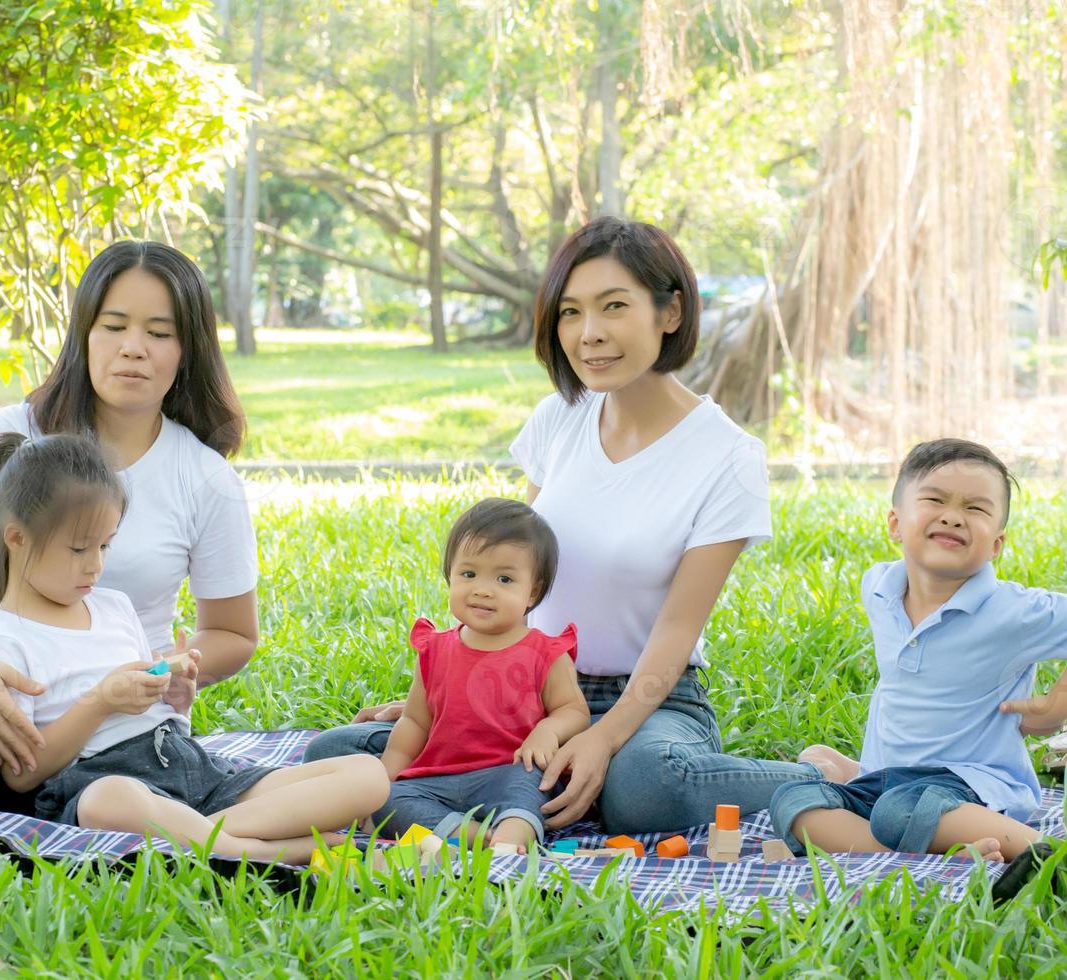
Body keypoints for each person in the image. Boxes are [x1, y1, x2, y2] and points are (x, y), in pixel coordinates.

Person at [306, 217, 838, 834]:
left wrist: (603, 739)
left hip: (650, 699)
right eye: (570, 312)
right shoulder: (559, 419)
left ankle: (824, 778)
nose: (589, 335)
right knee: (335, 756)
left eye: (614, 307)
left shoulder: (728, 456)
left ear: (670, 312)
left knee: (642, 789)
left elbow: (674, 633)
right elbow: (516, 580)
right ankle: (535, 789)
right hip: (528, 681)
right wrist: (464, 693)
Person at [0, 241, 260, 843]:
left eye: (159, 332)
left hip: (105, 742)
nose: (133, 347)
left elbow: (234, 633)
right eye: (113, 325)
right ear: (83, 334)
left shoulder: (205, 478)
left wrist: (159, 672)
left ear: (188, 347)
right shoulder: (15, 432)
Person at [0, 430, 385, 861]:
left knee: (369, 775)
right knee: (105, 802)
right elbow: (21, 776)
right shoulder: (3, 640)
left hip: (182, 766)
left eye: (105, 545)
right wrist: (102, 701)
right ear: (16, 538)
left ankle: (217, 838)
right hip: (107, 781)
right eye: (78, 548)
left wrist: (177, 700)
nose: (96, 565)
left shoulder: (113, 607)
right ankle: (256, 849)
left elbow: (155, 717)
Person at [770, 439, 1064, 862]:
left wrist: (1058, 704)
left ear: (996, 544)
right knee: (794, 800)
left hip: (971, 785)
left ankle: (1044, 855)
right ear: (895, 524)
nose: (952, 516)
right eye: (935, 500)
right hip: (884, 780)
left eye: (975, 509)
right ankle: (920, 856)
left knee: (899, 810)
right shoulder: (878, 588)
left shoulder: (1011, 611)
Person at [371, 498, 588, 850]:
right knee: (385, 801)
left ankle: (511, 839)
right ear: (450, 575)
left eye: (504, 579)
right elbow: (414, 721)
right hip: (439, 775)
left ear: (532, 591)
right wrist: (389, 768)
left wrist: (547, 731)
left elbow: (574, 711)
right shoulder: (435, 649)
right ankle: (473, 837)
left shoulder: (544, 652)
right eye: (468, 574)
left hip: (510, 769)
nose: (482, 589)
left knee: (531, 788)